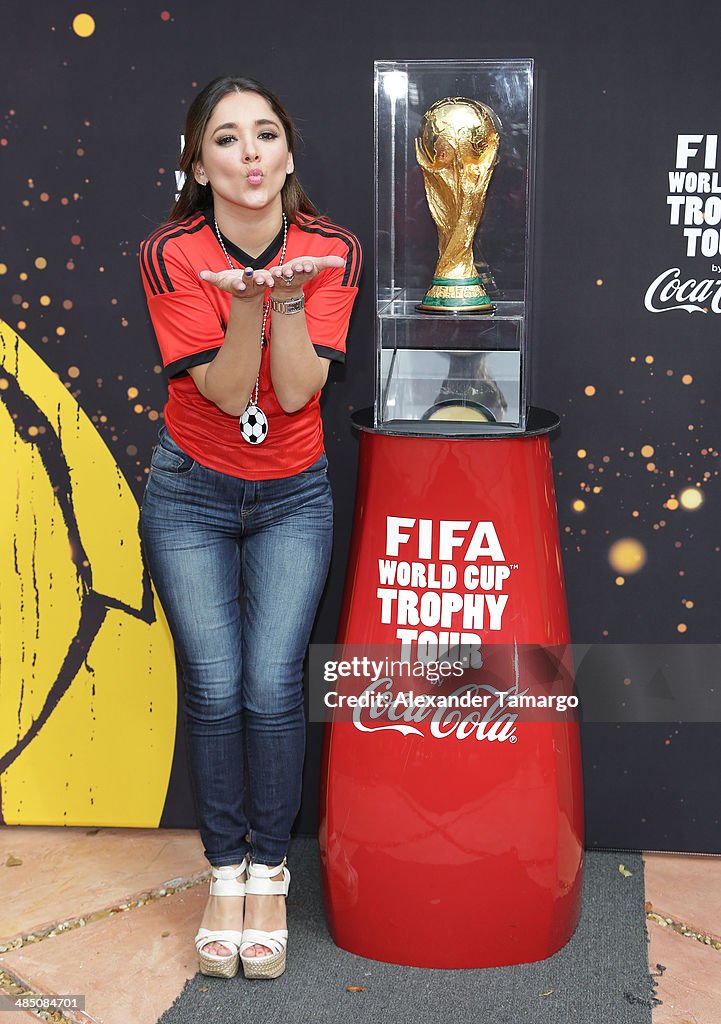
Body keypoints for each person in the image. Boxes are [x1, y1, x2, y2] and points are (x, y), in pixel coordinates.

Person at [138, 75, 361, 981]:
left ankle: (268, 876)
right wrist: (242, 301)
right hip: (190, 489)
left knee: (271, 687)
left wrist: (290, 296)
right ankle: (222, 873)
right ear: (198, 164)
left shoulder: (330, 246)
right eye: (225, 140)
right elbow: (228, 395)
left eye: (265, 134)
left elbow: (301, 390)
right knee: (215, 684)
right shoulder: (169, 249)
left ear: (289, 152)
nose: (250, 154)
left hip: (292, 494)